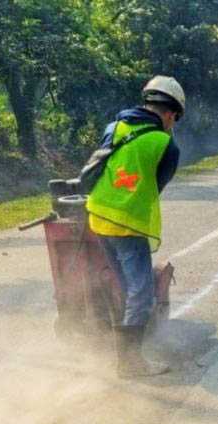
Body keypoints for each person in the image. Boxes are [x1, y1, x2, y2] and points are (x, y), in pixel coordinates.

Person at [85, 75, 185, 377]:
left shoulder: (115, 127)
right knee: (141, 293)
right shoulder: (167, 145)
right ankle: (129, 363)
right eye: (175, 119)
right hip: (127, 226)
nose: (173, 124)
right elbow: (156, 185)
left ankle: (125, 354)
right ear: (169, 113)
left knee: (128, 289)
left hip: (98, 217)